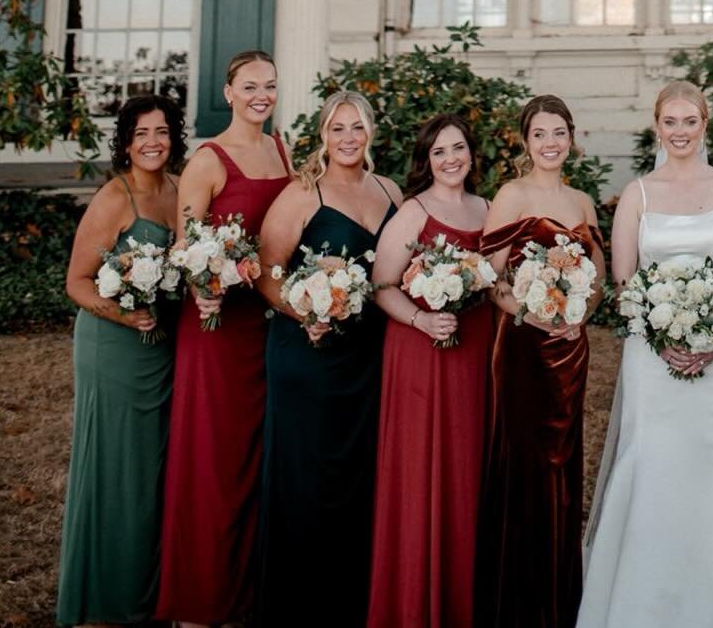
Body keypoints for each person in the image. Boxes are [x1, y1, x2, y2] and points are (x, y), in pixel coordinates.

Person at [577, 80, 713, 628]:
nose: (680, 132)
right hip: (653, 361)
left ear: (705, 125)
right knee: (653, 464)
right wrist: (663, 332)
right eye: (670, 122)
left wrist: (709, 340)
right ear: (658, 127)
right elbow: (626, 282)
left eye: (689, 121)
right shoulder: (638, 194)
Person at [253, 90, 400, 624]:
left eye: (357, 127)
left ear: (369, 134)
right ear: (323, 135)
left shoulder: (390, 190)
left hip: (367, 358)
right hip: (307, 357)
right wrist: (305, 313)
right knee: (308, 481)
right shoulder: (302, 194)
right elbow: (269, 274)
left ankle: (353, 604)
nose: (348, 138)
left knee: (359, 477)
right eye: (338, 128)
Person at [157, 49, 291, 628]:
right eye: (250, 85)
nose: (262, 94)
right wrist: (200, 287)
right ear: (229, 90)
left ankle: (244, 600)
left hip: (266, 327)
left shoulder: (283, 149)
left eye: (271, 85)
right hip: (214, 329)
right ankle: (200, 603)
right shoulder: (207, 160)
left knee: (256, 460)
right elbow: (185, 246)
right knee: (212, 462)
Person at [480, 94, 607, 628]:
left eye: (559, 133)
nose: (550, 143)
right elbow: (491, 277)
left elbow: (598, 275)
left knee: (563, 466)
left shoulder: (581, 201)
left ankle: (560, 599)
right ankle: (519, 604)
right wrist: (529, 314)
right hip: (527, 348)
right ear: (526, 141)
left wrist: (581, 310)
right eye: (540, 134)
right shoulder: (511, 194)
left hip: (571, 348)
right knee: (526, 465)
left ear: (571, 138)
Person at [57, 94, 184, 628]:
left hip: (164, 347)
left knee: (154, 473)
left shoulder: (180, 191)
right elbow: (76, 284)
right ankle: (103, 598)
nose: (153, 142)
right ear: (126, 143)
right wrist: (125, 316)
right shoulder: (114, 197)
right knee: (115, 469)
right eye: (141, 134)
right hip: (113, 348)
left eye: (161, 131)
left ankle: (148, 592)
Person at [368, 113, 493, 628]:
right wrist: (422, 318)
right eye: (439, 151)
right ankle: (413, 603)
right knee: (422, 471)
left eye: (458, 148)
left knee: (467, 470)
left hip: (475, 352)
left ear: (471, 154)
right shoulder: (413, 212)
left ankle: (463, 599)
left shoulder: (489, 208)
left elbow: (499, 279)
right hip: (422, 351)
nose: (450, 159)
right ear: (427, 159)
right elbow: (382, 284)